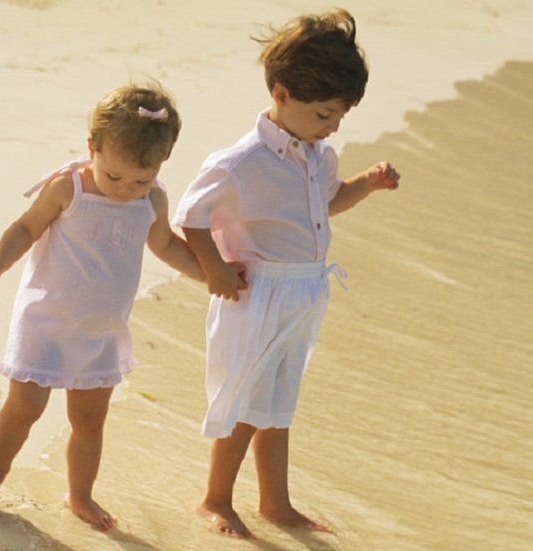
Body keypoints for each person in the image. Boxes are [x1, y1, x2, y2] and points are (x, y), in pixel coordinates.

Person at [0, 83, 244, 531]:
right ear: (92, 148)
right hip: (46, 321)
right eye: (114, 177)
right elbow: (26, 227)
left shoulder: (151, 200)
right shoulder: (68, 189)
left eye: (140, 179)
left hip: (102, 330)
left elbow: (168, 245)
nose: (125, 189)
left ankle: (80, 496)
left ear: (160, 166)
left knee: (90, 420)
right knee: (26, 406)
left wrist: (214, 274)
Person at [173, 9, 400, 539]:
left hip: (304, 291)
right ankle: (214, 499)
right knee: (245, 402)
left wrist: (363, 183)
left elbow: (324, 204)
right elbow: (191, 217)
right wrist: (216, 272)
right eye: (324, 114)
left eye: (339, 116)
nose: (333, 126)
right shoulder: (242, 161)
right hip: (256, 295)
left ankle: (275, 503)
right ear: (281, 93)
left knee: (278, 404)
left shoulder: (318, 155)